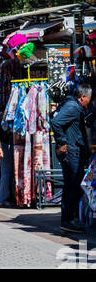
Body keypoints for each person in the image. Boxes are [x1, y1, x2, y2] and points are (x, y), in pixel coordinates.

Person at [52, 82, 93, 235]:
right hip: (72, 152)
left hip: (74, 151)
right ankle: (67, 220)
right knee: (73, 185)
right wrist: (62, 142)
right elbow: (56, 122)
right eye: (89, 99)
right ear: (83, 97)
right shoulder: (73, 107)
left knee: (71, 185)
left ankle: (69, 219)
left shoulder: (74, 106)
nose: (90, 102)